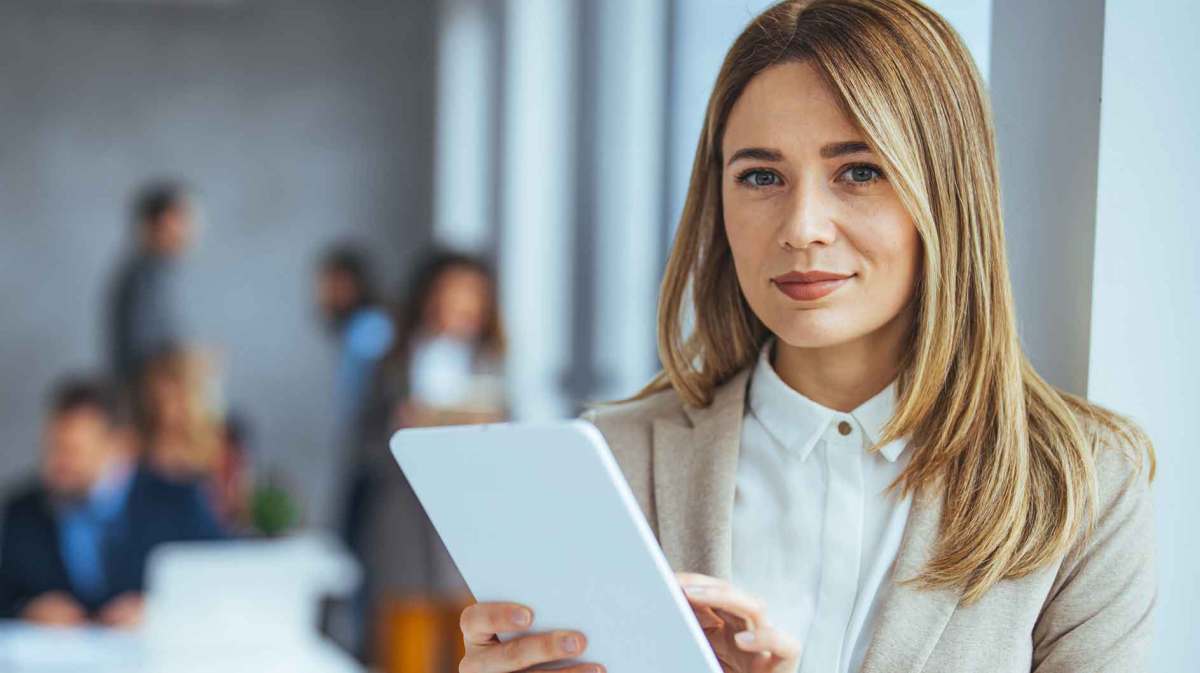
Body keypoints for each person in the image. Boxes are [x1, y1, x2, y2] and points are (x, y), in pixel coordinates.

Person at [457, 2, 1156, 673]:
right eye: (761, 176)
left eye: (859, 171)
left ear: (944, 193)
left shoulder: (1082, 486)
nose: (802, 227)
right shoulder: (612, 464)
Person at [356, 251, 506, 673]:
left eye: (467, 296)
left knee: (473, 653)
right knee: (408, 654)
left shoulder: (493, 367)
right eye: (446, 294)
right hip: (404, 535)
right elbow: (362, 449)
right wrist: (399, 425)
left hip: (469, 540)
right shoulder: (393, 366)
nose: (455, 307)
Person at [0, 377, 224, 628]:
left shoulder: (178, 504)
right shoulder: (23, 511)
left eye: (71, 451)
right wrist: (25, 611)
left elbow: (225, 588)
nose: (55, 464)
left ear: (120, 446)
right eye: (50, 448)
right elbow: (6, 593)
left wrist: (162, 611)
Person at [108, 181, 197, 389]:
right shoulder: (143, 277)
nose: (186, 232)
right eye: (179, 222)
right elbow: (144, 353)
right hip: (145, 398)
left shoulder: (156, 273)